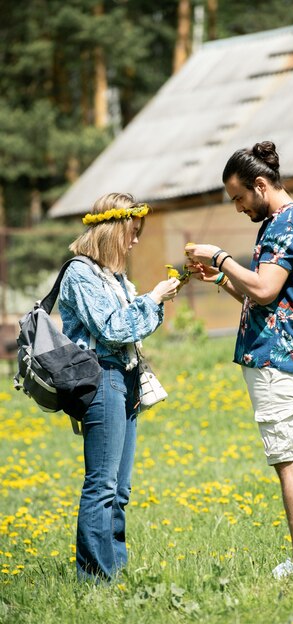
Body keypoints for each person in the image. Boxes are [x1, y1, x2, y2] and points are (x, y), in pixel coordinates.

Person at [185, 141, 293, 579]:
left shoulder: (286, 223)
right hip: (278, 352)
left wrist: (220, 255)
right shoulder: (285, 221)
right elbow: (265, 296)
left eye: (239, 198)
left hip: (276, 358)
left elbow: (263, 289)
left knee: (289, 456)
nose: (238, 207)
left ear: (260, 185)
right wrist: (223, 277)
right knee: (287, 454)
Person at [59, 192, 180, 582]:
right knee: (103, 484)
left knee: (121, 489)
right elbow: (111, 329)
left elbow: (132, 324)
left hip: (125, 377)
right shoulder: (80, 273)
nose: (136, 240)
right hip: (101, 378)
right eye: (133, 231)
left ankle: (116, 569)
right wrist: (154, 298)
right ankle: (95, 578)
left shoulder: (114, 277)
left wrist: (154, 301)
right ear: (113, 230)